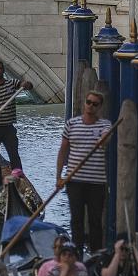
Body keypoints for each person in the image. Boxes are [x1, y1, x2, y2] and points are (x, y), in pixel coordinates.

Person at [55, 90, 111, 254]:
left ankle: (96, 254)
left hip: (97, 182)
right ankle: (76, 252)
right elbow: (63, 151)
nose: (90, 106)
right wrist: (58, 177)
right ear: (84, 103)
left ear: (99, 107)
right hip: (74, 181)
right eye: (89, 102)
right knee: (76, 219)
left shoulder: (104, 125)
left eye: (95, 104)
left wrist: (104, 139)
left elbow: (106, 137)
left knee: (95, 220)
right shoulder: (71, 124)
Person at [0, 60, 33, 188]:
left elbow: (28, 86)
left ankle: (19, 178)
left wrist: (26, 84)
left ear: (3, 70)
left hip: (8, 127)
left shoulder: (12, 84)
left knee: (14, 153)